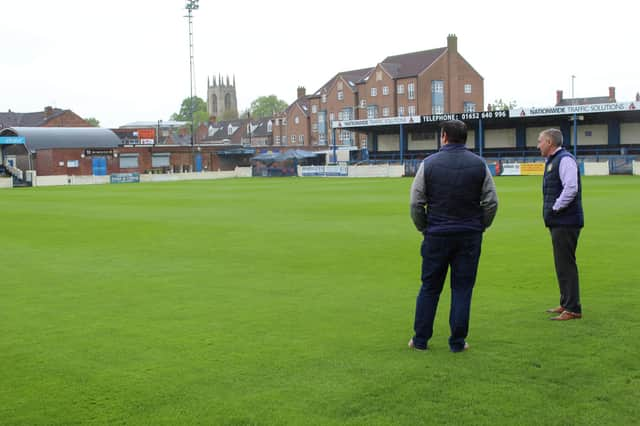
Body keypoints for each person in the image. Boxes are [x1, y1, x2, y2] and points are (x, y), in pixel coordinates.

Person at [408, 120, 498, 352]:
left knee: (429, 287)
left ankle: (420, 340)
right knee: (462, 289)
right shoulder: (479, 164)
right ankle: (457, 342)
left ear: (444, 136)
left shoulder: (428, 164)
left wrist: (424, 228)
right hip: (468, 235)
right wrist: (481, 226)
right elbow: (491, 202)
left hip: (436, 234)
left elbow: (416, 202)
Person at [537, 129, 584, 321]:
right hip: (559, 221)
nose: (538, 144)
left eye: (540, 141)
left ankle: (573, 308)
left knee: (566, 264)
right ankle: (566, 303)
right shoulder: (554, 160)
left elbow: (571, 187)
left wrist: (556, 208)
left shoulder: (564, 160)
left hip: (566, 220)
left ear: (549, 142)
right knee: (561, 263)